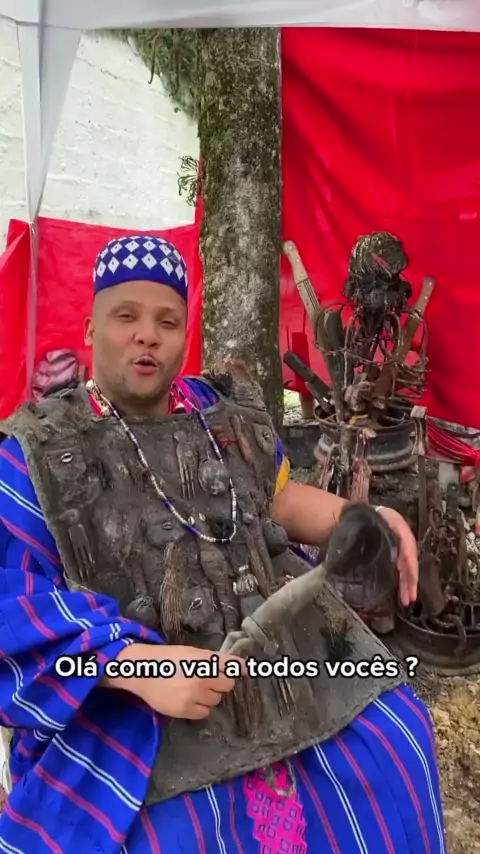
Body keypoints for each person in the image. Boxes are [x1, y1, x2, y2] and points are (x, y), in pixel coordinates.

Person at [0, 235, 445, 853]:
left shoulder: (220, 412)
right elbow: (17, 603)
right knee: (176, 834)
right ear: (91, 328)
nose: (147, 336)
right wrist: (141, 668)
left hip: (280, 653)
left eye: (167, 322)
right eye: (126, 316)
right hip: (136, 688)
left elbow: (279, 502)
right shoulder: (37, 453)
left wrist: (364, 518)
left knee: (398, 742)